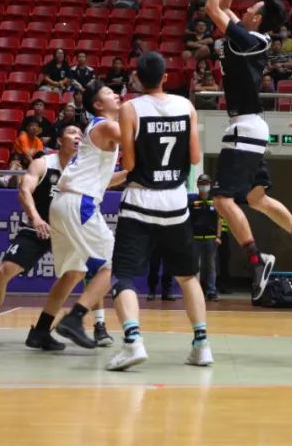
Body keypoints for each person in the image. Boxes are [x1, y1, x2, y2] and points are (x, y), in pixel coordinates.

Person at [205, 0, 292, 300]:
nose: (247, 8)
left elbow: (210, 8)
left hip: (245, 127)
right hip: (253, 127)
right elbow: (222, 7)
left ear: (258, 19)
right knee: (258, 198)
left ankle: (256, 258)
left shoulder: (248, 40)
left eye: (253, 7)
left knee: (222, 199)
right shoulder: (252, 37)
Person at [102, 54, 211, 370]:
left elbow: (131, 165)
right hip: (175, 204)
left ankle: (134, 341)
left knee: (123, 275)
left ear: (136, 78)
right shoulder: (185, 106)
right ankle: (202, 345)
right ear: (166, 77)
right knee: (188, 276)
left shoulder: (129, 108)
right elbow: (194, 158)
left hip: (140, 203)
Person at [0, 125, 118, 347]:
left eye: (79, 134)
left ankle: (52, 330)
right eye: (71, 133)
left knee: (80, 274)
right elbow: (25, 190)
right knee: (3, 271)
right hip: (40, 227)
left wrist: (135, 174)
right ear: (59, 140)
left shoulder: (84, 165)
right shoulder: (44, 163)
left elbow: (105, 182)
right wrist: (35, 218)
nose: (76, 137)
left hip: (68, 227)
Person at [26, 82, 120, 352]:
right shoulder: (104, 125)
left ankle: (41, 331)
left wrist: (129, 175)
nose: (115, 93)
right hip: (80, 203)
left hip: (66, 202)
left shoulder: (100, 132)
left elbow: (101, 180)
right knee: (112, 264)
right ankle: (75, 319)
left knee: (73, 272)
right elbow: (136, 135)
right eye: (108, 93)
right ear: (98, 105)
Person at [189, 174, 220, 302]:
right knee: (195, 267)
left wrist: (218, 236)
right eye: (201, 183)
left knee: (211, 266)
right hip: (195, 239)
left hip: (211, 239)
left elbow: (219, 220)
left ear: (210, 185)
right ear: (197, 185)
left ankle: (211, 292)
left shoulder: (215, 201)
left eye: (206, 183)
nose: (204, 186)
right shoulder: (192, 202)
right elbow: (188, 221)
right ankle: (195, 292)